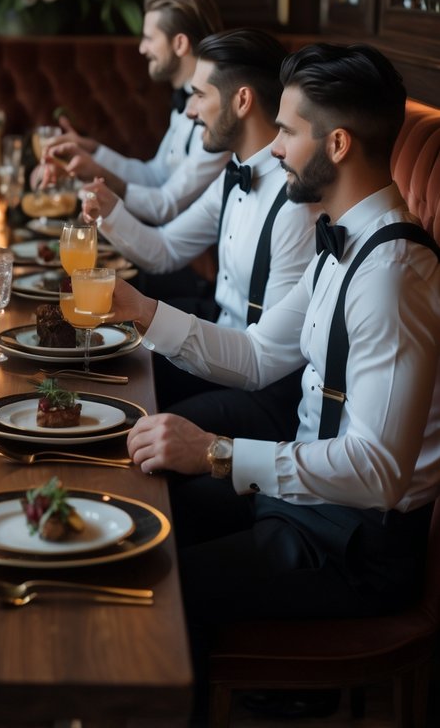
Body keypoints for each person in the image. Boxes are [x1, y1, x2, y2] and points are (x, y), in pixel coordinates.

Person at [112, 44, 440, 721]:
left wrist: (216, 452)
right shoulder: (343, 239)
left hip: (358, 546)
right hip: (310, 507)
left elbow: (376, 471)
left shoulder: (391, 277)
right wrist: (139, 312)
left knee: (157, 582)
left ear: (338, 143)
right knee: (140, 512)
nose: (276, 149)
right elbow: (258, 356)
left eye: (288, 132)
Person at [84, 29, 317, 435]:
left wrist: (145, 310)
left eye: (200, 95)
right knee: (98, 369)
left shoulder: (296, 207)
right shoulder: (234, 174)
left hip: (260, 390)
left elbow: (266, 360)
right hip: (215, 340)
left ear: (241, 100)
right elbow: (168, 248)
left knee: (124, 426)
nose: (190, 112)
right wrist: (109, 213)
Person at [47, 0, 228, 224]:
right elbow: (154, 175)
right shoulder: (183, 100)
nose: (142, 48)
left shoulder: (219, 114)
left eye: (149, 38)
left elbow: (166, 207)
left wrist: (100, 176)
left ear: (180, 44)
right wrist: (92, 150)